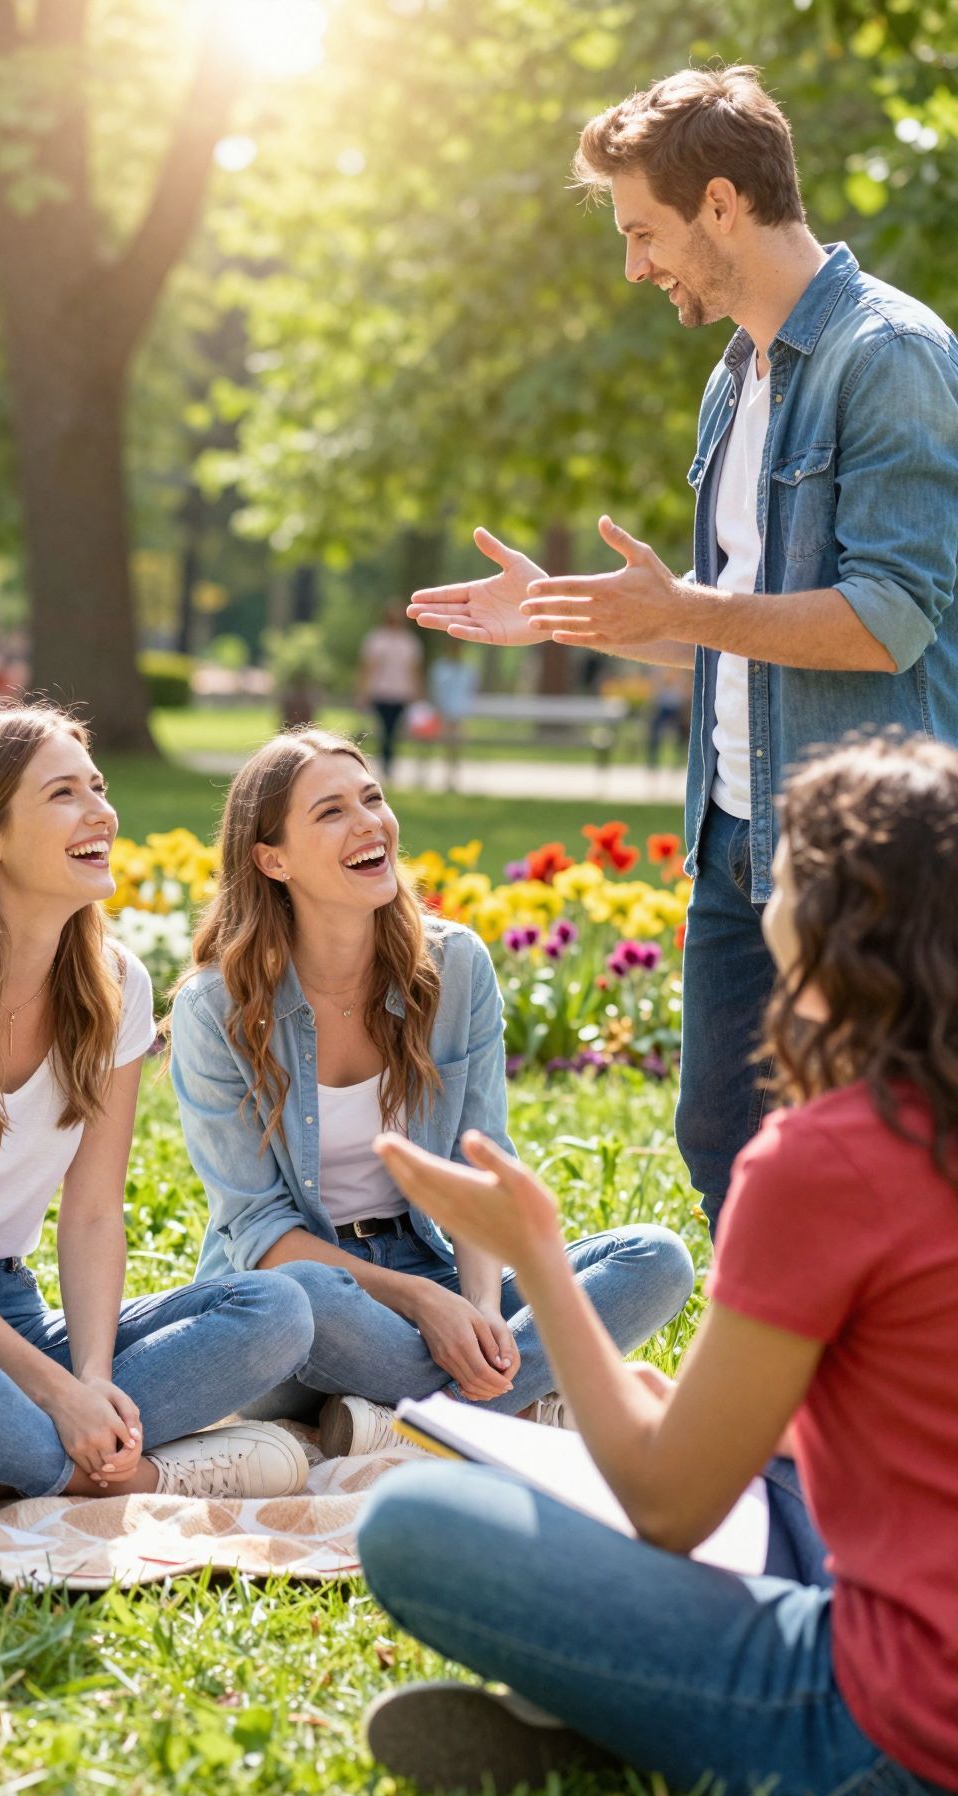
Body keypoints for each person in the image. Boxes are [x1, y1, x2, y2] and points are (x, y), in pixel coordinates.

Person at [357, 735, 958, 1796]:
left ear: (839, 924)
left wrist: (539, 1256)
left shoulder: (828, 1158)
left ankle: (640, 1725)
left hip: (899, 1732)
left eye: (785, 870)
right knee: (768, 1469)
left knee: (411, 1520)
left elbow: (668, 1506)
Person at [407, 65, 958, 1232]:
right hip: (733, 834)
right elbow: (731, 629)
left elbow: (888, 619)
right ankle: (766, 1359)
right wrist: (571, 612)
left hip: (864, 857)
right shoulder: (733, 377)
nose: (635, 267)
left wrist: (689, 609)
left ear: (721, 203)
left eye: (643, 231)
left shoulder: (889, 355)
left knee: (879, 1162)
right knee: (721, 1141)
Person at [0, 706, 318, 1523]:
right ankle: (132, 1476)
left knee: (279, 1307)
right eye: (63, 794)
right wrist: (56, 1394)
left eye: (98, 787)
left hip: (7, 1307)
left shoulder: (114, 985)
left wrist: (91, 1380)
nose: (101, 812)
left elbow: (92, 1215)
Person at [167, 727, 693, 1460]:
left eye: (372, 799)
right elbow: (259, 1234)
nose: (369, 823)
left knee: (656, 1259)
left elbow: (481, 1166)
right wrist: (425, 1304)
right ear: (272, 859)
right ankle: (507, 1409)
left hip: (432, 1262)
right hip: (301, 1305)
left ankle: (403, 1421)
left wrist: (480, 1310)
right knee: (303, 1298)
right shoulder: (215, 1009)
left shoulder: (455, 966)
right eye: (331, 812)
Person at [355, 600, 423, 775]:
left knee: (393, 731)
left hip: (401, 693)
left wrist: (416, 693)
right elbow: (368, 667)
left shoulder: (409, 642)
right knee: (383, 730)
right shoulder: (377, 639)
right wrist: (363, 692)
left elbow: (413, 669)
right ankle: (384, 762)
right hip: (381, 692)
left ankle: (388, 762)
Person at [427, 649, 479, 790]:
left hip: (458, 712)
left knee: (455, 746)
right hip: (443, 712)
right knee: (442, 743)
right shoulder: (441, 668)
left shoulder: (466, 670)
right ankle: (441, 776)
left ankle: (452, 776)